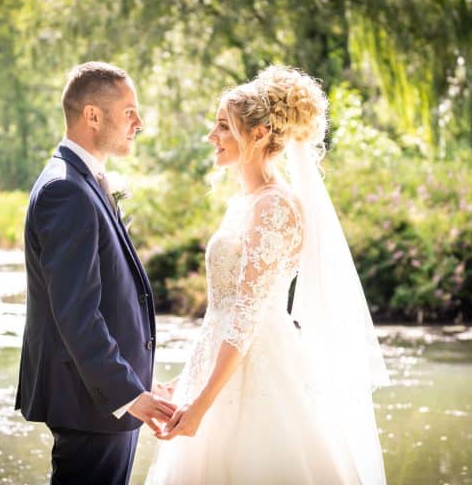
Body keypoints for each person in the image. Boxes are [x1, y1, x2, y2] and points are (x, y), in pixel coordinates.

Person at [145, 66, 390, 484]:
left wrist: (200, 407)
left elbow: (246, 314)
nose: (211, 136)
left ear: (258, 134)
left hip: (262, 372)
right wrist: (186, 382)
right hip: (222, 364)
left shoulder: (274, 207)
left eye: (223, 126)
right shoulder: (244, 203)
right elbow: (222, 314)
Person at [15, 61, 176, 485]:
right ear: (92, 115)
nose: (139, 123)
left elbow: (109, 300)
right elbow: (77, 315)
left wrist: (140, 383)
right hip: (91, 405)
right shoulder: (66, 190)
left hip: (102, 400)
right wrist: (127, 394)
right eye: (129, 111)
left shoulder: (83, 180)